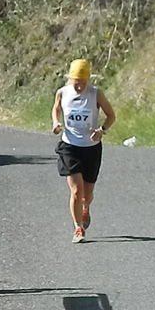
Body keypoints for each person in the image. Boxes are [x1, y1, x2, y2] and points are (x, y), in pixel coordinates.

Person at [51, 59, 116, 244]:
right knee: (76, 191)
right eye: (75, 81)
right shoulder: (62, 93)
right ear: (70, 79)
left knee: (87, 195)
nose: (79, 85)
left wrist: (102, 130)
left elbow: (111, 115)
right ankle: (78, 228)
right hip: (69, 147)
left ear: (88, 79)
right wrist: (56, 123)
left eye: (82, 81)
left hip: (91, 149)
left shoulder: (96, 94)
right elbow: (56, 109)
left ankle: (86, 207)